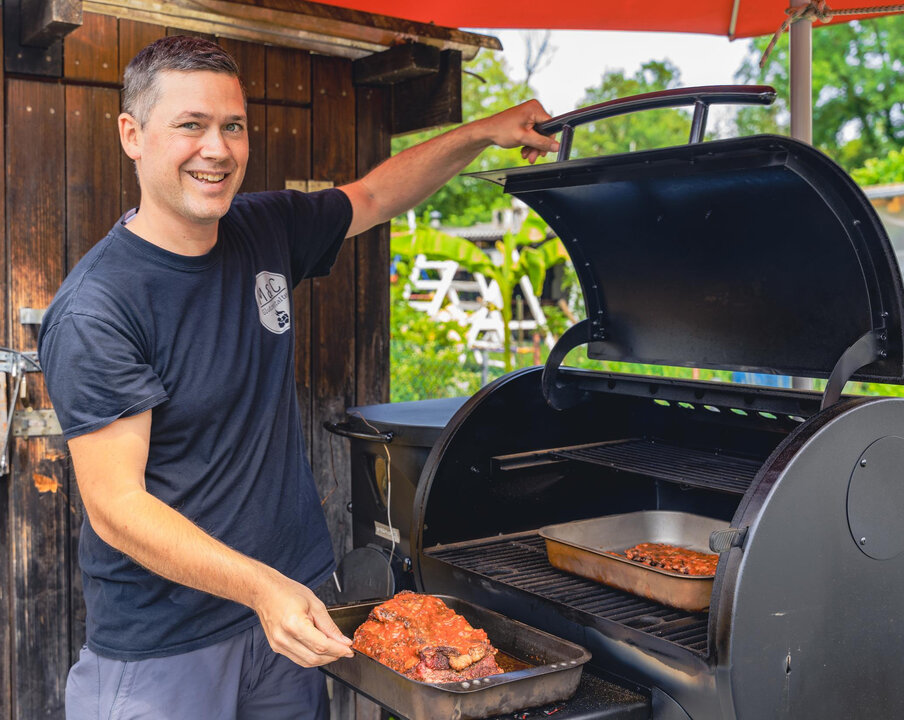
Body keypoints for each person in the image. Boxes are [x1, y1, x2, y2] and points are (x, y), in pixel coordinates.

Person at [38, 34, 558, 720]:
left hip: (288, 616)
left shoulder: (266, 227)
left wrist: (485, 132)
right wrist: (260, 588)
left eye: (233, 126)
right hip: (169, 645)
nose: (217, 149)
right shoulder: (99, 305)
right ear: (133, 135)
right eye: (190, 125)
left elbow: (373, 195)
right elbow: (116, 507)